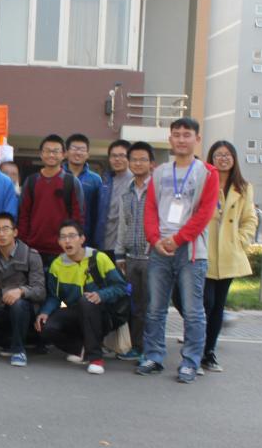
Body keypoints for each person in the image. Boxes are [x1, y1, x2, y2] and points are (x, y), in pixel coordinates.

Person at [136, 117, 219, 384]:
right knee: (155, 308)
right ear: (170, 139)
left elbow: (204, 213)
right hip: (159, 249)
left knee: (193, 311)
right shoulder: (160, 173)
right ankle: (153, 356)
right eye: (176, 134)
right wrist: (155, 239)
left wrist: (179, 238)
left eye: (187, 134)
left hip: (191, 251)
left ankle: (191, 362)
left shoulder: (207, 173)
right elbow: (150, 209)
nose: (181, 139)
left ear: (197, 139)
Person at [36, 220, 129, 375]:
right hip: (76, 313)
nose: (67, 241)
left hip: (103, 313)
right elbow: (54, 296)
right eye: (63, 237)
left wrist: (101, 295)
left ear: (82, 239)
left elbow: (121, 287)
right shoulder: (56, 265)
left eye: (72, 236)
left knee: (86, 301)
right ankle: (80, 349)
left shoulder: (99, 258)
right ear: (59, 241)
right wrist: (45, 312)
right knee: (45, 326)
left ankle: (96, 358)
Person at [202, 141, 258, 373]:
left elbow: (250, 219)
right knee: (205, 303)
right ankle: (196, 348)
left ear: (234, 159)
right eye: (218, 155)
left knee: (218, 306)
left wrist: (239, 241)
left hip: (228, 254)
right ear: (211, 158)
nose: (223, 159)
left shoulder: (243, 187)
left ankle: (209, 352)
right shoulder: (204, 182)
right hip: (204, 252)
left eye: (227, 155)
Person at [0, 212, 46, 367]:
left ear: (15, 232)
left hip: (27, 308)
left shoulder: (31, 255)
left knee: (18, 304)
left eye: (6, 229)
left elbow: (40, 291)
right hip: (2, 306)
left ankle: (19, 350)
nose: (1, 234)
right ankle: (17, 341)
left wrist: (21, 291)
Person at [113, 141, 157, 361]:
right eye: (134, 159)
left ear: (152, 163)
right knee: (135, 306)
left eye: (143, 160)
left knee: (153, 306)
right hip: (131, 258)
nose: (138, 163)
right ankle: (137, 347)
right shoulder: (127, 192)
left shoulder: (159, 190)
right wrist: (120, 254)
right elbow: (123, 224)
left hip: (153, 258)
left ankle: (152, 349)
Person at [17, 134, 84, 270]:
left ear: (63, 155)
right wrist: (23, 244)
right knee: (35, 283)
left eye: (56, 151)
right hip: (33, 249)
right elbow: (23, 214)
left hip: (63, 249)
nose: (51, 155)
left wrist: (74, 244)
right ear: (41, 154)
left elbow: (78, 217)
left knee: (60, 284)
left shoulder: (71, 182)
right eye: (47, 151)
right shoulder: (31, 181)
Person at [94, 139, 134, 257]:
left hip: (127, 247)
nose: (117, 159)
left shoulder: (136, 181)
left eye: (122, 155)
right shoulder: (105, 182)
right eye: (113, 156)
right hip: (104, 244)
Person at [64, 134, 103, 247]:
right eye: (74, 148)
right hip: (60, 236)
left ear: (87, 154)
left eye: (82, 149)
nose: (78, 152)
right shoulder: (58, 175)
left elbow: (97, 212)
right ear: (66, 152)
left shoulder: (95, 179)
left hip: (86, 237)